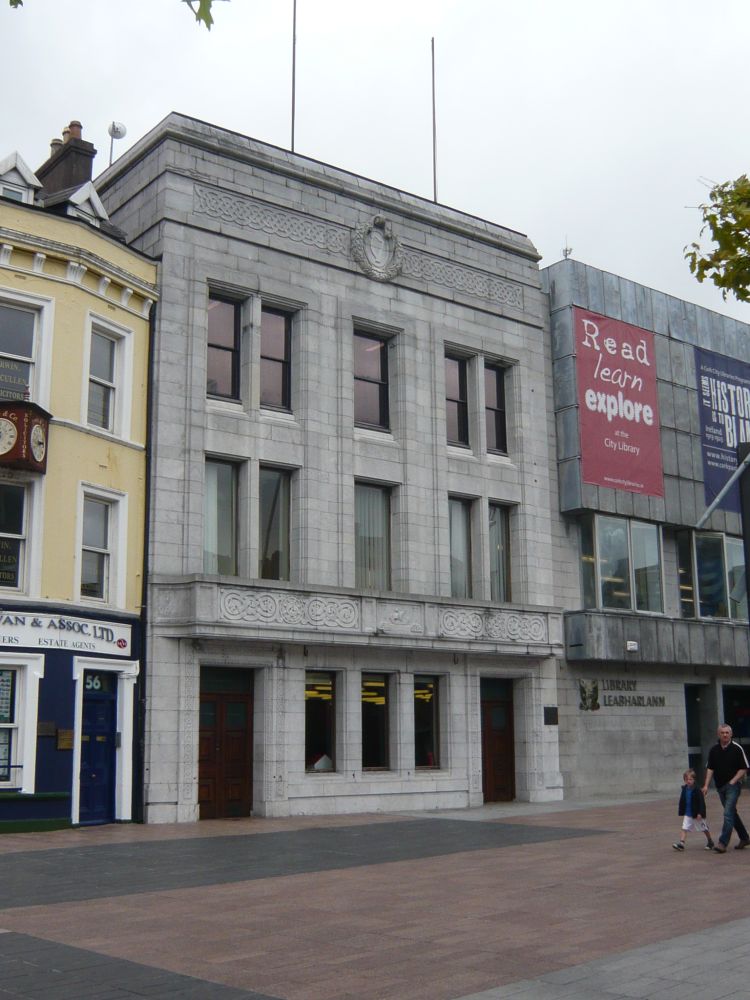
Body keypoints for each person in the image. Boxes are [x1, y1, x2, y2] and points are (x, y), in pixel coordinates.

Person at [702, 723, 750, 853]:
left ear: (731, 734)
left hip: (733, 786)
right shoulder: (714, 750)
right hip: (720, 787)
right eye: (722, 733)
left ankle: (722, 843)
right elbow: (710, 768)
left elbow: (744, 767)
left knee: (728, 813)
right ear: (719, 734)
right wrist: (706, 785)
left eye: (727, 733)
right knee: (732, 813)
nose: (724, 735)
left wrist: (733, 781)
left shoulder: (737, 748)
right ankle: (745, 837)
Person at [673, 768, 714, 851]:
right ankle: (681, 843)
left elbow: (701, 803)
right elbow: (683, 800)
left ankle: (710, 841)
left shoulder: (697, 790)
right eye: (687, 779)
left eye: (690, 779)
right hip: (688, 813)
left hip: (696, 814)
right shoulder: (684, 789)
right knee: (684, 828)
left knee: (703, 828)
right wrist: (682, 810)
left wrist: (700, 813)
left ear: (694, 780)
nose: (688, 781)